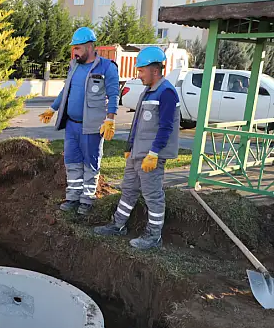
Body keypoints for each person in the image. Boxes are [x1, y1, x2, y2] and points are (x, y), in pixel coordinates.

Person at [93, 47, 180, 250]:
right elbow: (138, 123)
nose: (138, 75)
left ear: (154, 70)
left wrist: (154, 153)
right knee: (128, 190)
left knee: (153, 195)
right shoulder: (148, 91)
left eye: (141, 71)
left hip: (150, 157)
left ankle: (153, 236)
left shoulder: (166, 92)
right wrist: (129, 146)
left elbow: (166, 126)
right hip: (137, 154)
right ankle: (118, 225)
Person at [38, 27, 120, 215]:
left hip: (92, 126)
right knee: (72, 162)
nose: (74, 52)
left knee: (90, 163)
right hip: (72, 125)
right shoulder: (73, 65)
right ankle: (73, 196)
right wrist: (53, 108)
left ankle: (87, 200)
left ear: (90, 46)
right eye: (74, 48)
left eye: (78, 48)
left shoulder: (107, 67)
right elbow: (65, 90)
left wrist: (110, 119)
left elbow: (114, 95)